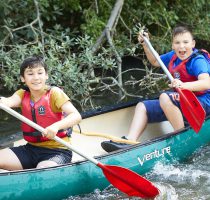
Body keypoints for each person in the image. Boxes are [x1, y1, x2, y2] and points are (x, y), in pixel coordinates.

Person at [101, 25, 210, 152]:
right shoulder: (173, 56)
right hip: (183, 101)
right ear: (172, 45)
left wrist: (183, 85)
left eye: (185, 42)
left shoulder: (197, 60)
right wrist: (145, 44)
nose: (181, 46)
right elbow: (154, 61)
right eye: (177, 43)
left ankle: (181, 139)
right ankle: (129, 140)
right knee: (142, 106)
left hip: (202, 102)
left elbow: (206, 83)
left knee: (165, 97)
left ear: (193, 44)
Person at [0, 56, 82, 170]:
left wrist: (55, 126)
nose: (36, 78)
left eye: (40, 73)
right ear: (23, 78)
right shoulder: (22, 94)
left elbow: (76, 116)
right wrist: (3, 102)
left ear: (46, 75)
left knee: (42, 171)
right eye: (30, 74)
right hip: (30, 149)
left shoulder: (54, 93)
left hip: (57, 151)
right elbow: (9, 101)